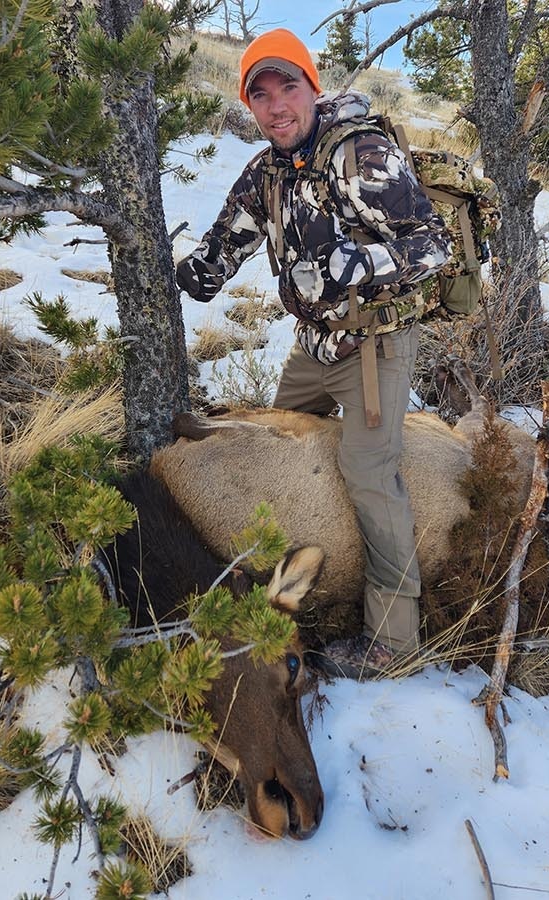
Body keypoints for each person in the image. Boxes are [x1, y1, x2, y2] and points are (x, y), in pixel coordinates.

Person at [173, 29, 453, 680]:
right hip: (314, 345)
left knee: (367, 472)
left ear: (312, 84)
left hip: (372, 344)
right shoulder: (265, 172)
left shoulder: (361, 154)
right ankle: (292, 589)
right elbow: (224, 244)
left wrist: (355, 262)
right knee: (281, 458)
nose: (276, 107)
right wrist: (189, 273)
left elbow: (431, 244)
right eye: (260, 95)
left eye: (287, 86)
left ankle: (395, 641)